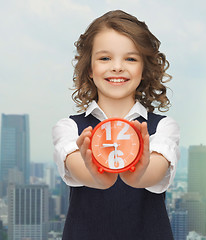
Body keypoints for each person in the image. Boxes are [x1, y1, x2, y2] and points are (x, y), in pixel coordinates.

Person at [52, 10, 180, 240]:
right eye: (105, 58)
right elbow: (77, 168)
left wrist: (138, 175)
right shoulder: (69, 128)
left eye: (130, 59)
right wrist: (98, 177)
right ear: (90, 69)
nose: (117, 67)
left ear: (144, 69)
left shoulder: (163, 127)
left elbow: (155, 171)